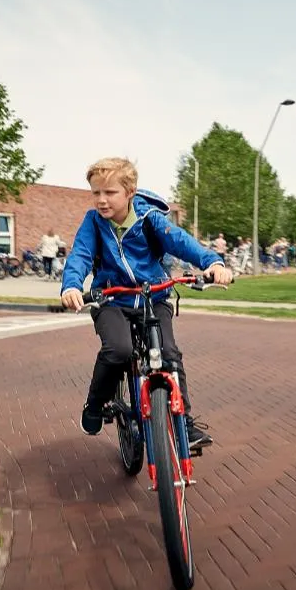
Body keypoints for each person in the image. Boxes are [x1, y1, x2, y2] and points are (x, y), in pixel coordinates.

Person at [60, 157, 233, 447]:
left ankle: (184, 424)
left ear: (130, 192)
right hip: (111, 299)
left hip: (153, 297)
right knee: (118, 349)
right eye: (96, 193)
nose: (101, 200)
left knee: (169, 354)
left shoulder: (149, 219)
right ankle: (95, 404)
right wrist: (72, 286)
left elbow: (181, 242)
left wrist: (213, 263)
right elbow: (80, 255)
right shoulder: (93, 222)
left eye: (110, 192)